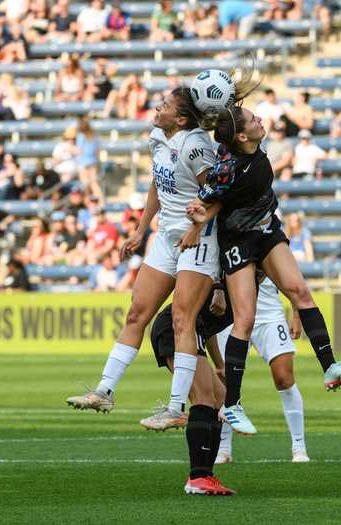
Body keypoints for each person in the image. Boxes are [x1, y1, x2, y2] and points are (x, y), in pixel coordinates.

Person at [182, 103, 341, 434]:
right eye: (253, 119)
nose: (260, 119)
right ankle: (232, 405)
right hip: (238, 240)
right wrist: (197, 214)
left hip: (266, 229)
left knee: (300, 291)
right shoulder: (226, 168)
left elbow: (230, 117)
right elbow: (207, 199)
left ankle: (330, 366)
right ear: (243, 135)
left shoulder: (252, 144)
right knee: (245, 319)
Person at [66, 87, 220, 433]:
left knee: (183, 319)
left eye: (164, 105)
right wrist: (140, 230)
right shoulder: (158, 137)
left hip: (198, 239)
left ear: (181, 118)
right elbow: (157, 184)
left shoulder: (196, 146)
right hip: (166, 236)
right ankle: (104, 391)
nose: (156, 107)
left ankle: (178, 407)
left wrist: (198, 226)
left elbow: (217, 193)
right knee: (138, 311)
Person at [149, 283, 234, 495]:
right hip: (175, 328)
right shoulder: (229, 280)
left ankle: (206, 475)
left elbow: (209, 330)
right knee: (203, 397)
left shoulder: (244, 285)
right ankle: (197, 477)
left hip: (194, 332)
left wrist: (220, 364)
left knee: (220, 398)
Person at [215, 277, 309, 463]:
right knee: (225, 378)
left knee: (284, 378)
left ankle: (299, 447)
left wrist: (297, 314)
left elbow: (290, 277)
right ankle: (223, 449)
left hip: (269, 316)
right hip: (231, 317)